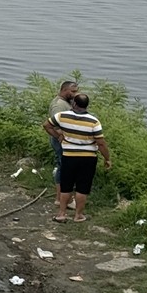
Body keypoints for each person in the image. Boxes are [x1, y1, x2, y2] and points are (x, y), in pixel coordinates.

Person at [45, 92, 112, 223]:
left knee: (66, 186)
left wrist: (58, 135)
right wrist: (107, 158)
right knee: (83, 187)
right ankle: (78, 215)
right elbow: (101, 143)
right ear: (87, 106)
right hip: (88, 158)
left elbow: (46, 125)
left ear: (74, 103)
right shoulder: (94, 121)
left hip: (69, 155)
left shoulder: (62, 116)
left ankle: (61, 214)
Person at [48, 80, 79, 196]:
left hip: (66, 141)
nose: (75, 94)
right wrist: (60, 137)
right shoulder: (58, 105)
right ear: (64, 90)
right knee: (62, 167)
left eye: (76, 91)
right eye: (73, 91)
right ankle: (61, 197)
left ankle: (64, 195)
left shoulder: (67, 102)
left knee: (65, 166)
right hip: (60, 141)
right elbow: (55, 126)